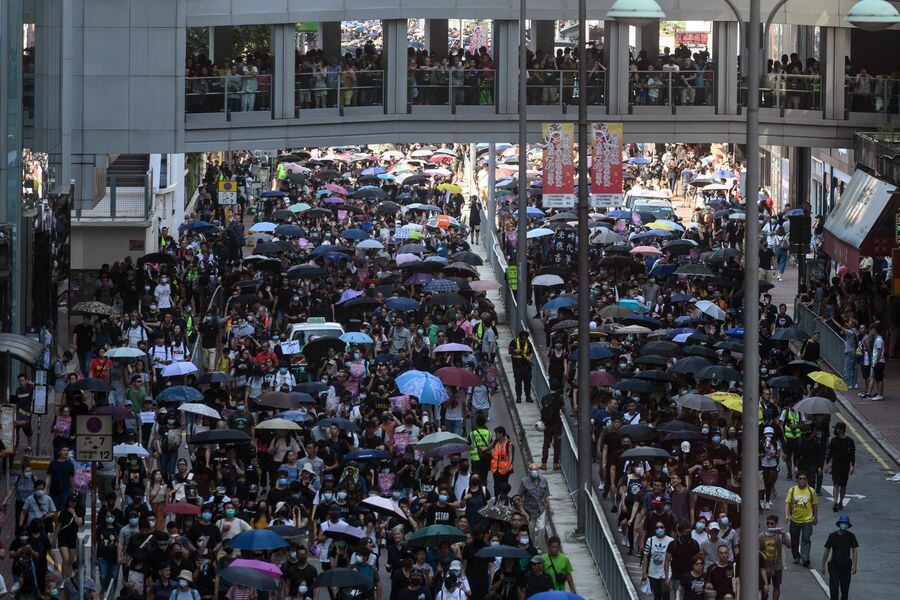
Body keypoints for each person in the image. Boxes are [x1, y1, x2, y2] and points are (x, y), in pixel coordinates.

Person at [821, 514, 858, 600]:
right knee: (833, 589)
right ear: (839, 524)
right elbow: (827, 550)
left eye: (846, 524)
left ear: (848, 525)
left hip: (846, 566)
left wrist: (855, 564)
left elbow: (855, 550)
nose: (844, 525)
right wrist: (823, 564)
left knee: (845, 591)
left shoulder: (851, 536)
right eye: (842, 523)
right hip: (834, 566)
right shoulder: (832, 536)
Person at [785, 471, 817, 567]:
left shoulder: (811, 491)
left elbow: (815, 505)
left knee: (806, 539)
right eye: (800, 478)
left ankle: (805, 558)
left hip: (807, 521)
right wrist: (786, 515)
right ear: (797, 480)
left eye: (804, 479)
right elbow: (787, 502)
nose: (802, 480)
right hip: (795, 520)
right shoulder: (792, 490)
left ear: (807, 480)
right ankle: (796, 557)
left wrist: (815, 516)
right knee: (794, 540)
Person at [825, 422, 856, 512]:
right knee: (836, 484)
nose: (835, 430)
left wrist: (852, 466)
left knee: (843, 486)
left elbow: (852, 455)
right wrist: (826, 464)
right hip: (835, 466)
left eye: (837, 429)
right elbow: (830, 454)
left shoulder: (850, 441)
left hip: (845, 467)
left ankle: (841, 502)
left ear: (842, 430)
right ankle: (835, 502)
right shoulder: (834, 440)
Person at [759, 515, 790, 600]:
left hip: (777, 566)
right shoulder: (761, 536)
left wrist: (784, 534)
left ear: (776, 524)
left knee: (776, 587)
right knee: (764, 588)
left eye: (771, 523)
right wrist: (762, 555)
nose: (769, 525)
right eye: (768, 523)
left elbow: (789, 545)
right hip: (765, 567)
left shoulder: (779, 535)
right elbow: (757, 550)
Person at [641, 520, 673, 600]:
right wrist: (644, 572)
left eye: (661, 527)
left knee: (665, 592)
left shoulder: (671, 541)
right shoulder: (650, 540)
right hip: (653, 572)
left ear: (665, 528)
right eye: (657, 527)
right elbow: (645, 557)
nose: (659, 529)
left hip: (666, 572)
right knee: (657, 595)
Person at [538, 391, 563, 471]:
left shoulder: (544, 397)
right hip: (557, 425)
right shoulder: (559, 398)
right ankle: (555, 464)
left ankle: (544, 464)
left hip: (547, 424)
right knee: (557, 445)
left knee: (546, 444)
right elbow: (564, 409)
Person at [508, 330, 533, 404]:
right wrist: (515, 351)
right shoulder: (514, 342)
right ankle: (518, 397)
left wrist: (529, 358)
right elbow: (509, 351)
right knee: (518, 382)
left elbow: (532, 352)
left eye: (525, 339)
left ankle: (528, 397)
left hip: (527, 367)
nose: (524, 340)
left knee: (527, 382)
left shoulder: (528, 343)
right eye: (523, 339)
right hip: (517, 366)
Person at [489, 426, 515, 496]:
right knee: (496, 486)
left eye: (496, 433)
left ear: (501, 434)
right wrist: (494, 441)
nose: (495, 435)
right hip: (496, 470)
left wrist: (508, 467)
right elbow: (488, 447)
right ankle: (496, 500)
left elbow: (510, 457)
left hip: (505, 470)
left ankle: (503, 500)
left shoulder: (508, 444)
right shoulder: (495, 443)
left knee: (504, 486)